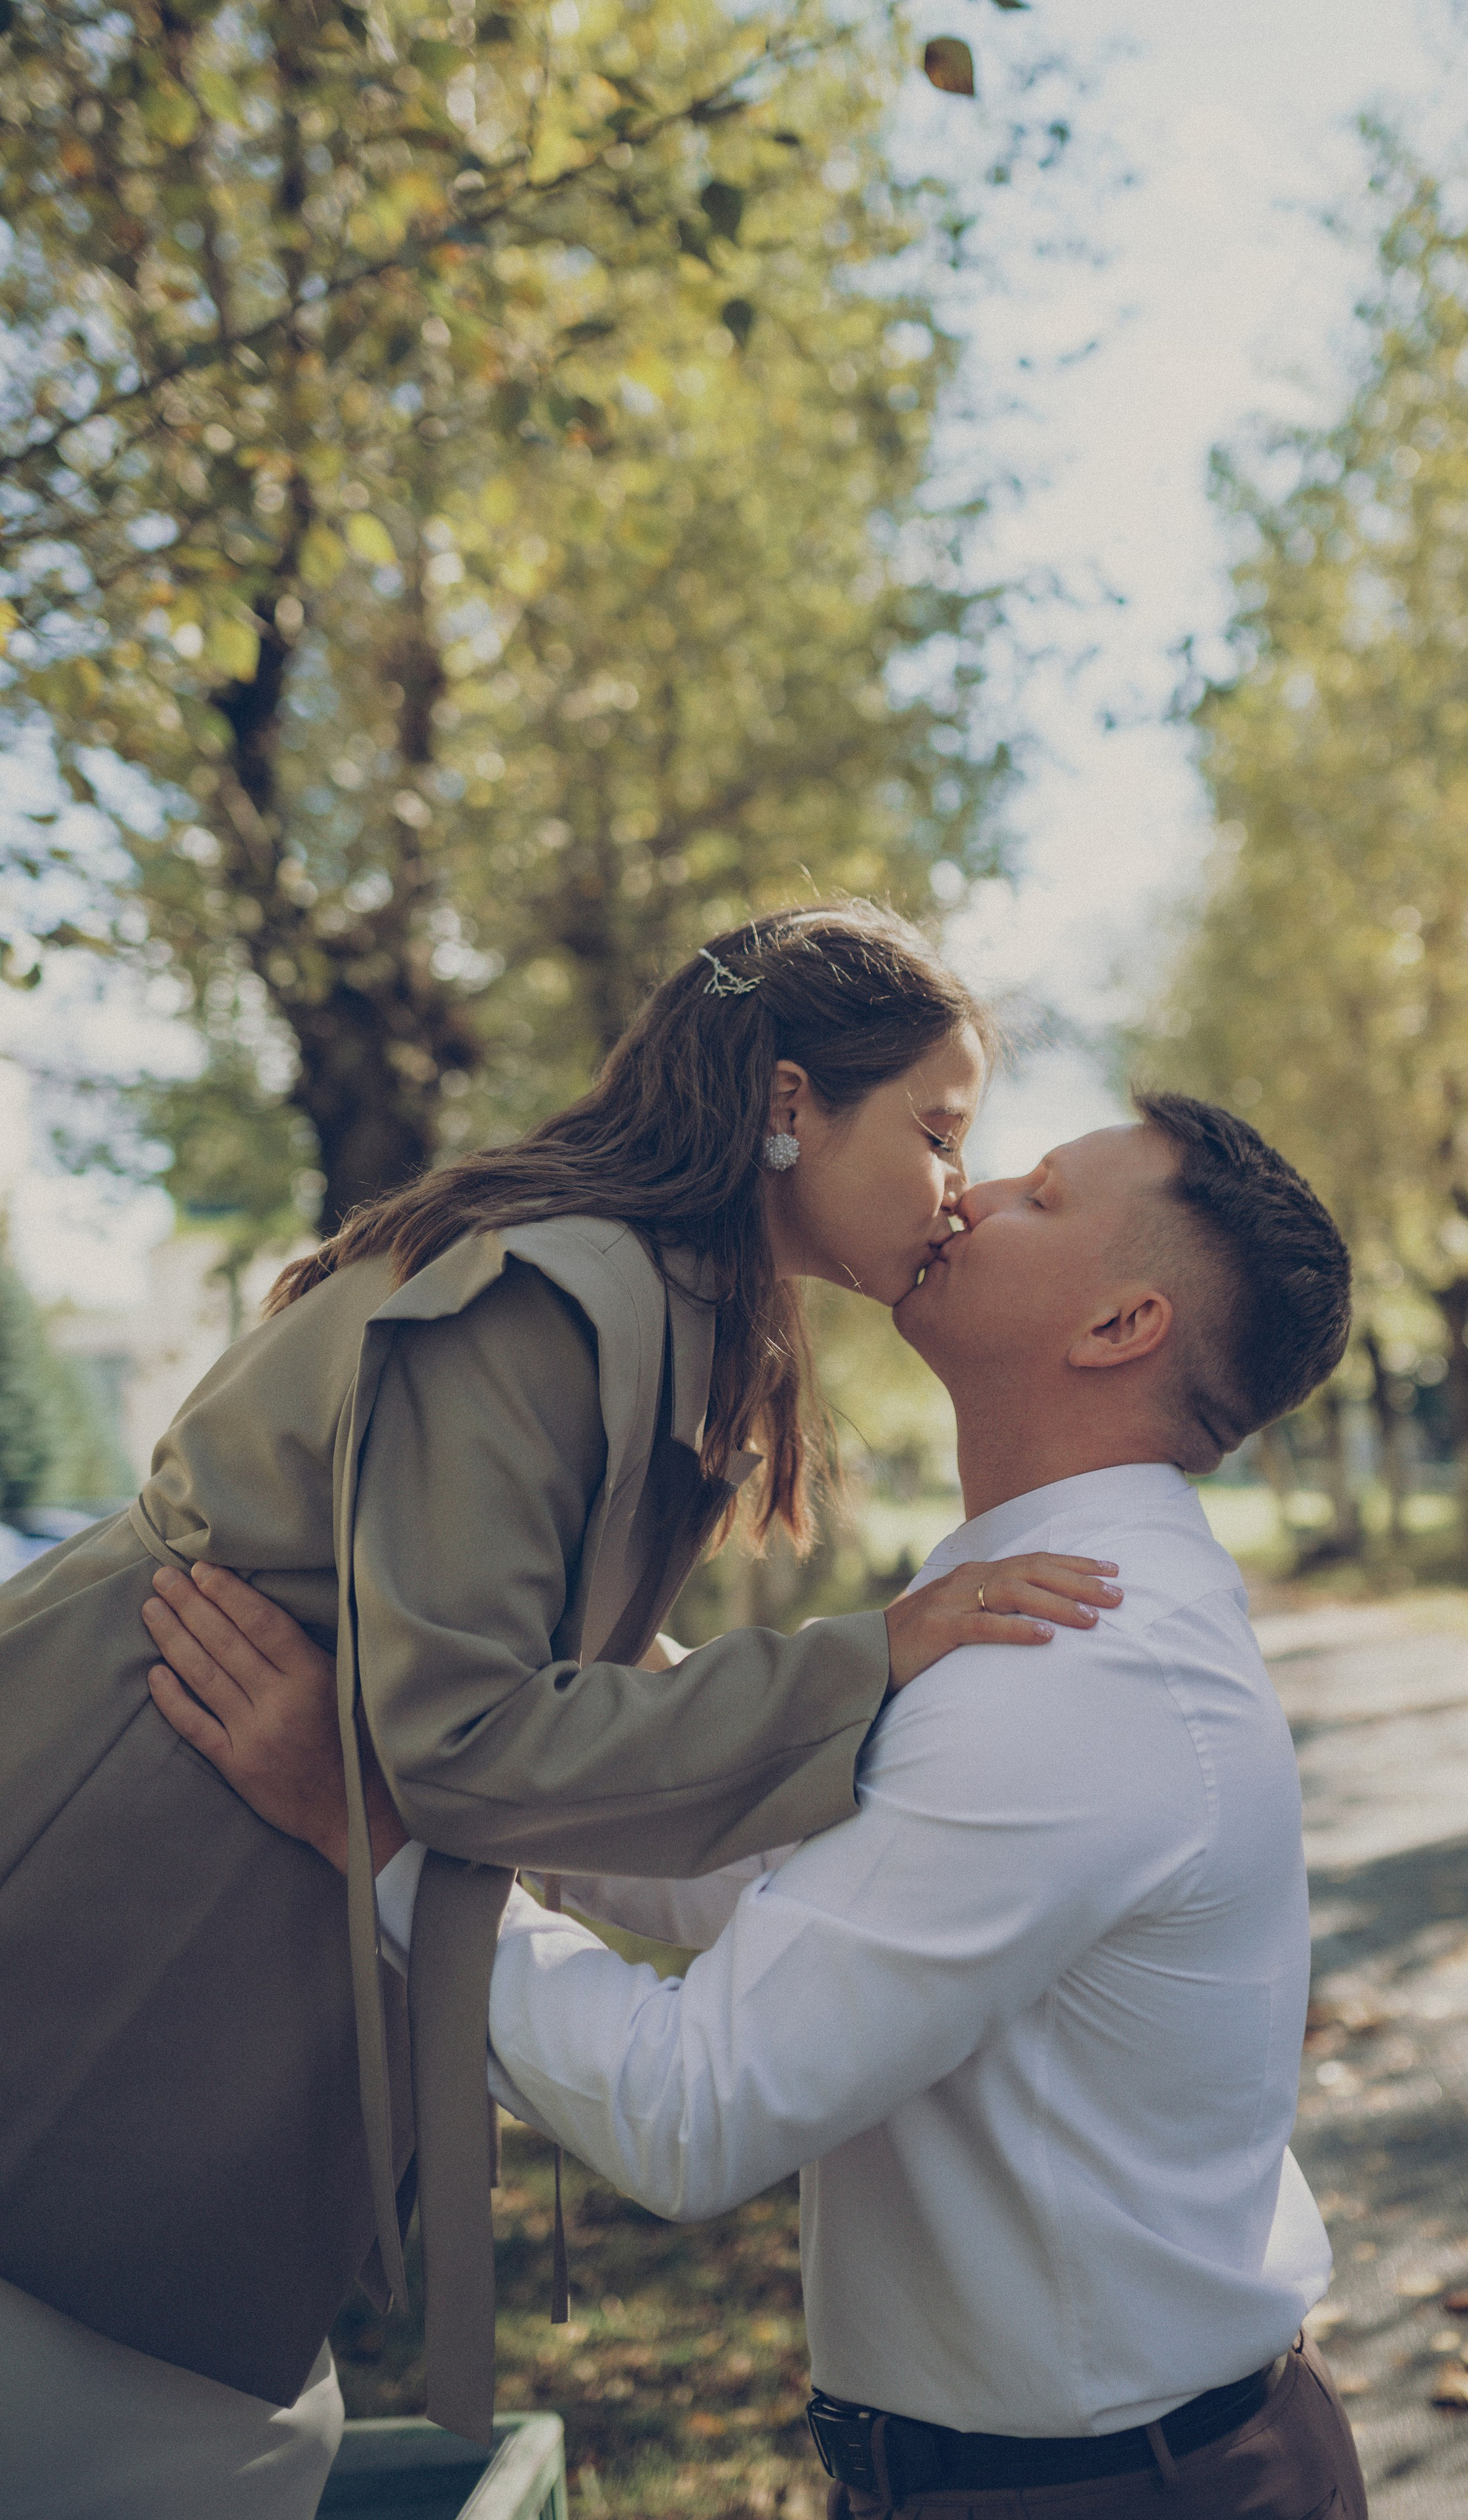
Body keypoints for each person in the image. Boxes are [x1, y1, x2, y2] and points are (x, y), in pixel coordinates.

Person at [0, 903, 1114, 2520]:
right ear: (789, 1103)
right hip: (130, 1829)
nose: (960, 1183)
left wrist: (894, 1743)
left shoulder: (663, 1293)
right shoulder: (551, 1291)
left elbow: (556, 1660)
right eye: (938, 1130)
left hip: (222, 1845)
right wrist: (860, 1660)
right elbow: (460, 1733)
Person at [147, 1093, 1369, 2520]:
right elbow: (785, 1894)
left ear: (1119, 1327)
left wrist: (372, 1840)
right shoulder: (1033, 1608)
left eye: (1041, 1194)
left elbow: (696, 2106)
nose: (967, 1194)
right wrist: (525, 1694)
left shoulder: (1078, 1667)